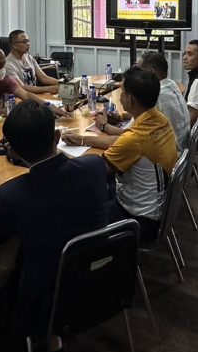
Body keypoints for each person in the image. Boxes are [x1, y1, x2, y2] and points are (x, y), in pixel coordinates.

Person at [0, 100, 108, 337]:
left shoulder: (12, 195)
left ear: (12, 152)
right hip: (102, 278)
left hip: (47, 298)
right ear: (56, 136)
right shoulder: (95, 166)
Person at [66, 66, 177, 245]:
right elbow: (124, 141)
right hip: (158, 209)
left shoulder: (134, 139)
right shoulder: (160, 120)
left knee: (77, 206)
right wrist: (83, 139)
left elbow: (97, 171)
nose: (120, 96)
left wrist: (64, 158)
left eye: (122, 92)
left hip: (138, 221)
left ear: (130, 99)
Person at [3, 29, 60, 94]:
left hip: (34, 95)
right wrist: (49, 89)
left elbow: (44, 78)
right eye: (24, 42)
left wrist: (63, 83)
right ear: (14, 45)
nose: (28, 44)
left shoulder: (29, 58)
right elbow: (21, 88)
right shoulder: (8, 65)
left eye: (28, 41)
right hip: (21, 98)